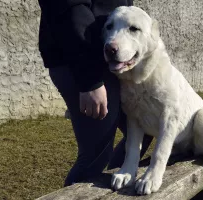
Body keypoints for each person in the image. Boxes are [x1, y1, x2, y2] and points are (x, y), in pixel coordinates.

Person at [37, 0, 153, 186]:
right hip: (82, 61)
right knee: (95, 155)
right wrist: (90, 81)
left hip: (111, 59)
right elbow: (70, 10)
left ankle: (114, 183)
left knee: (144, 128)